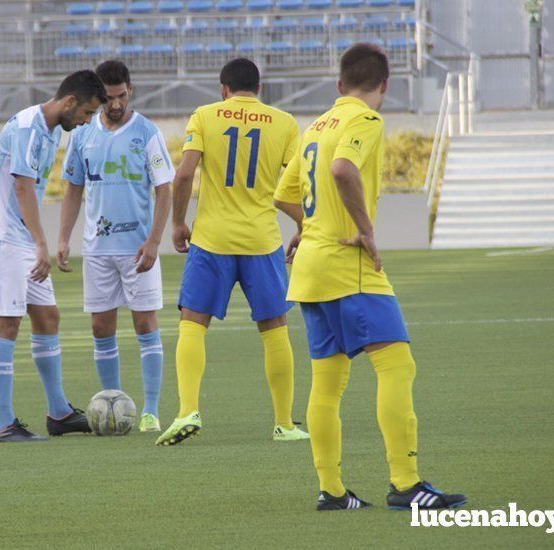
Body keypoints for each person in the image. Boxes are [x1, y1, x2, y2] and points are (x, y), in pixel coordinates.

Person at [273, 43, 467, 510]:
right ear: (385, 85)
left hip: (310, 270)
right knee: (397, 365)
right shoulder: (366, 120)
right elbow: (343, 169)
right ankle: (406, 485)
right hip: (347, 263)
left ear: (339, 85)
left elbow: (283, 195)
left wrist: (306, 227)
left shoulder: (315, 126)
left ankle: (332, 492)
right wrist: (365, 229)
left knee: (327, 382)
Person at [156, 58, 310, 446]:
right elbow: (294, 187)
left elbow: (185, 174)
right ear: (259, 88)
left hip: (212, 240)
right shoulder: (284, 123)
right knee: (275, 329)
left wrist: (178, 223)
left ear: (224, 89)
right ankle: (284, 424)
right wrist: (302, 228)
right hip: (262, 241)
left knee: (193, 323)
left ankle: (187, 410)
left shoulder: (205, 116)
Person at [0, 70, 107, 442]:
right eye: (86, 113)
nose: (85, 122)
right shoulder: (28, 128)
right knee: (7, 324)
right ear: (70, 102)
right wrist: (42, 243)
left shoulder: (46, 130)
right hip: (2, 237)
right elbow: (21, 186)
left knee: (47, 317)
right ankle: (3, 424)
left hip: (19, 238)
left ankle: (59, 413)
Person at [57, 60, 174, 432]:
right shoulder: (82, 134)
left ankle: (151, 410)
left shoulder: (146, 132)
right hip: (98, 249)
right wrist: (63, 237)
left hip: (138, 248)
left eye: (122, 96)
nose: (116, 104)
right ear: (99, 97)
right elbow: (73, 186)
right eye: (108, 98)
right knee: (100, 328)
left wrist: (155, 240)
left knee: (145, 324)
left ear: (131, 90)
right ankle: (113, 405)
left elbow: (164, 187)